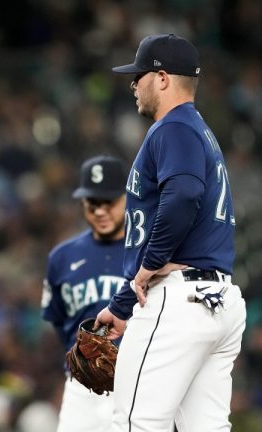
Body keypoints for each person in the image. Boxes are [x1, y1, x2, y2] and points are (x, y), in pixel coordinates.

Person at [95, 34, 246, 431]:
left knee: (134, 424)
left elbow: (183, 196)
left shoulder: (172, 128)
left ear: (162, 79)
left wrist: (149, 266)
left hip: (178, 300)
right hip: (218, 300)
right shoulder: (201, 133)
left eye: (139, 76)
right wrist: (124, 303)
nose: (133, 85)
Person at [41, 155, 127, 432]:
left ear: (128, 199)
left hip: (138, 383)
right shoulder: (61, 257)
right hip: (81, 389)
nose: (100, 211)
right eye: (93, 203)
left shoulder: (148, 253)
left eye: (109, 202)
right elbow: (57, 320)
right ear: (82, 202)